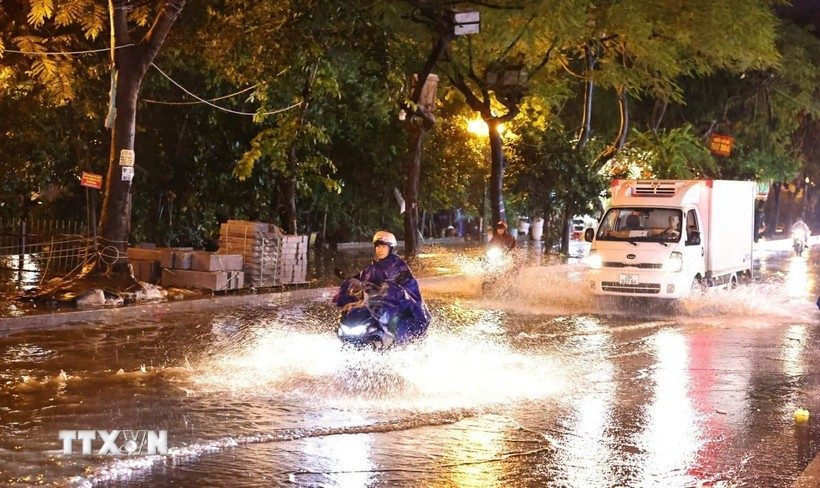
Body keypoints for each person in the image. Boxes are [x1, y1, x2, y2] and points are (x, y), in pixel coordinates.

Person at [333, 230, 430, 343]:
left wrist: (389, 290)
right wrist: (350, 283)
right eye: (378, 247)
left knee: (395, 322)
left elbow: (406, 287)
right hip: (376, 304)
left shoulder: (397, 266)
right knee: (352, 313)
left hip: (400, 307)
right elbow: (361, 279)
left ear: (390, 249)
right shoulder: (374, 266)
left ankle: (398, 345)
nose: (380, 250)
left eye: (384, 247)